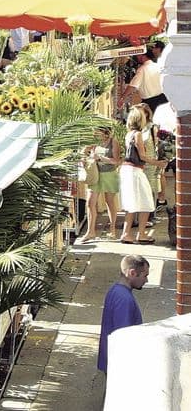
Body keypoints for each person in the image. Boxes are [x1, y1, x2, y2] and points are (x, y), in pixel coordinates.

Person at [97, 254, 150, 373]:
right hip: (119, 366)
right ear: (132, 273)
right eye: (144, 275)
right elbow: (124, 336)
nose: (146, 280)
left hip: (110, 361)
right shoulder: (125, 299)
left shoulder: (115, 291)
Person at [119, 107, 160, 245]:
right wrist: (158, 163)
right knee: (146, 202)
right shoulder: (138, 135)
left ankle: (127, 233)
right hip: (135, 171)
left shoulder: (129, 134)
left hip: (127, 170)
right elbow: (142, 155)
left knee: (132, 203)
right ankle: (141, 234)